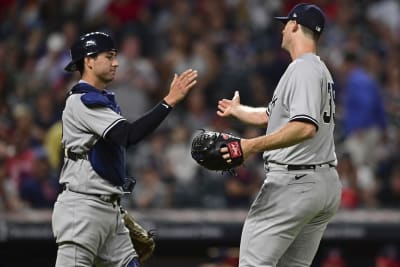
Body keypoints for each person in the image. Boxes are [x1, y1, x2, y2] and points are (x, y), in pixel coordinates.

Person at [51, 31, 197, 267]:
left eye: (115, 56)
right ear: (89, 61)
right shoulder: (81, 100)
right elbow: (128, 135)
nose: (116, 63)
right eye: (108, 57)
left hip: (109, 209)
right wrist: (168, 101)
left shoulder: (101, 98)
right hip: (83, 210)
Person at [217, 4, 342, 267]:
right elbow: (271, 115)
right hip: (321, 183)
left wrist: (249, 145)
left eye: (286, 23)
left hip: (294, 183)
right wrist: (239, 110)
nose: (282, 28)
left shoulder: (302, 70)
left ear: (295, 26)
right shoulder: (318, 70)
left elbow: (304, 127)